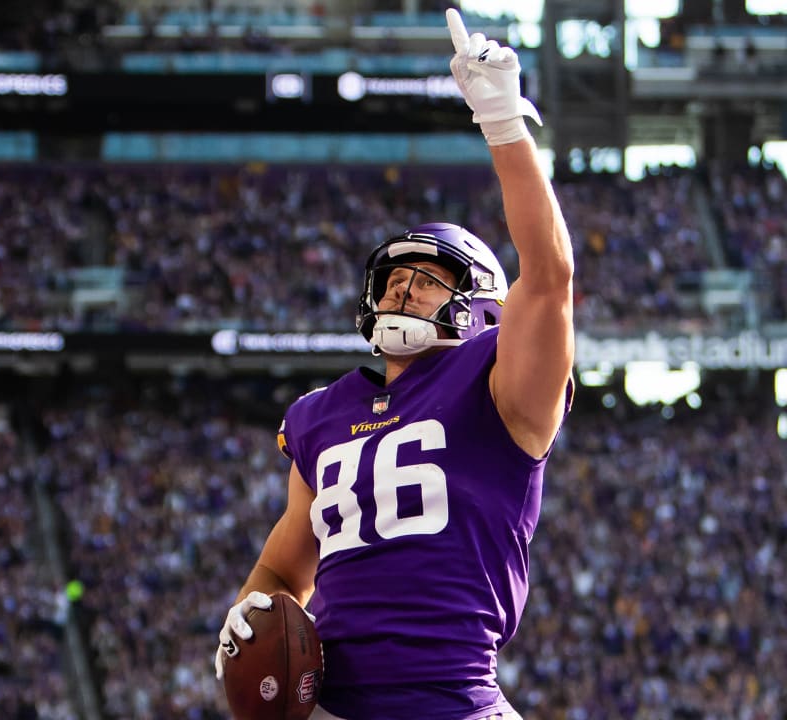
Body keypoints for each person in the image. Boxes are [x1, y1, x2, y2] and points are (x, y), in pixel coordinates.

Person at [214, 9, 575, 720]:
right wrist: (247, 619)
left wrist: (502, 123)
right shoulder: (321, 414)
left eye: (428, 276)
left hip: (454, 703)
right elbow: (285, 568)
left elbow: (551, 275)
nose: (402, 288)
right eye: (393, 278)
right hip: (333, 710)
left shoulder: (499, 385)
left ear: (480, 304)